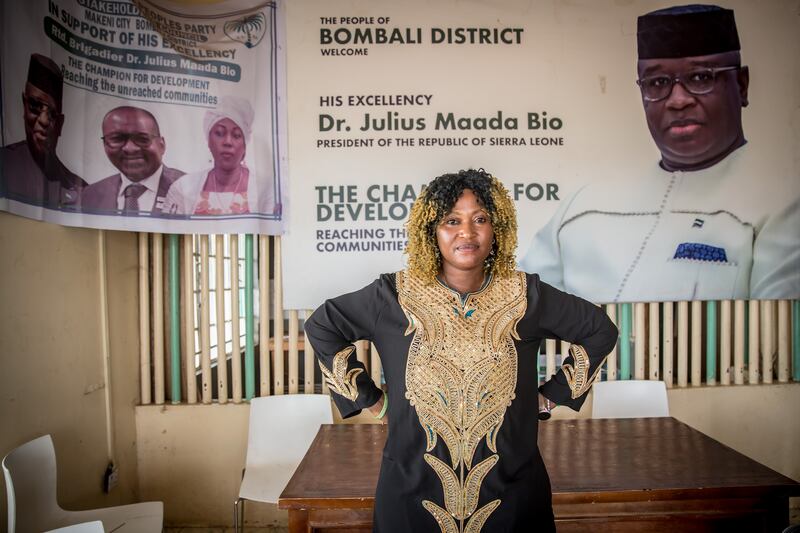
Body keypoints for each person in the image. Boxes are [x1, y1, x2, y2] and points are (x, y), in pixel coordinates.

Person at [305, 169, 618, 532]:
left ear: (496, 229)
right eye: (452, 220)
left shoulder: (525, 296)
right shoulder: (391, 296)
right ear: (431, 232)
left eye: (480, 219)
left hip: (512, 494)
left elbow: (599, 330)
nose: (466, 232)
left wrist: (550, 397)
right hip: (411, 493)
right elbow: (323, 326)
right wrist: (374, 401)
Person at [519, 4, 799, 302]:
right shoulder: (585, 204)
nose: (678, 100)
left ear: (741, 85)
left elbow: (779, 337)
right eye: (658, 83)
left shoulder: (782, 203)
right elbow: (519, 315)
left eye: (701, 78)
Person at [163, 96, 277, 216]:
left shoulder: (266, 190)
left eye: (236, 135)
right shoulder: (182, 189)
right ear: (209, 140)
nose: (227, 142)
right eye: (220, 133)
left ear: (245, 143)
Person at [0, 53, 86, 208]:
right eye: (35, 106)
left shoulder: (80, 189)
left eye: (52, 114)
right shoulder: (3, 163)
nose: (44, 120)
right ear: (24, 105)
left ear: (60, 124)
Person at [81, 106, 184, 215]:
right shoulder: (90, 194)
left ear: (161, 145)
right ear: (104, 144)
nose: (130, 148)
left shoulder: (192, 190)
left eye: (142, 139)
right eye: (117, 139)